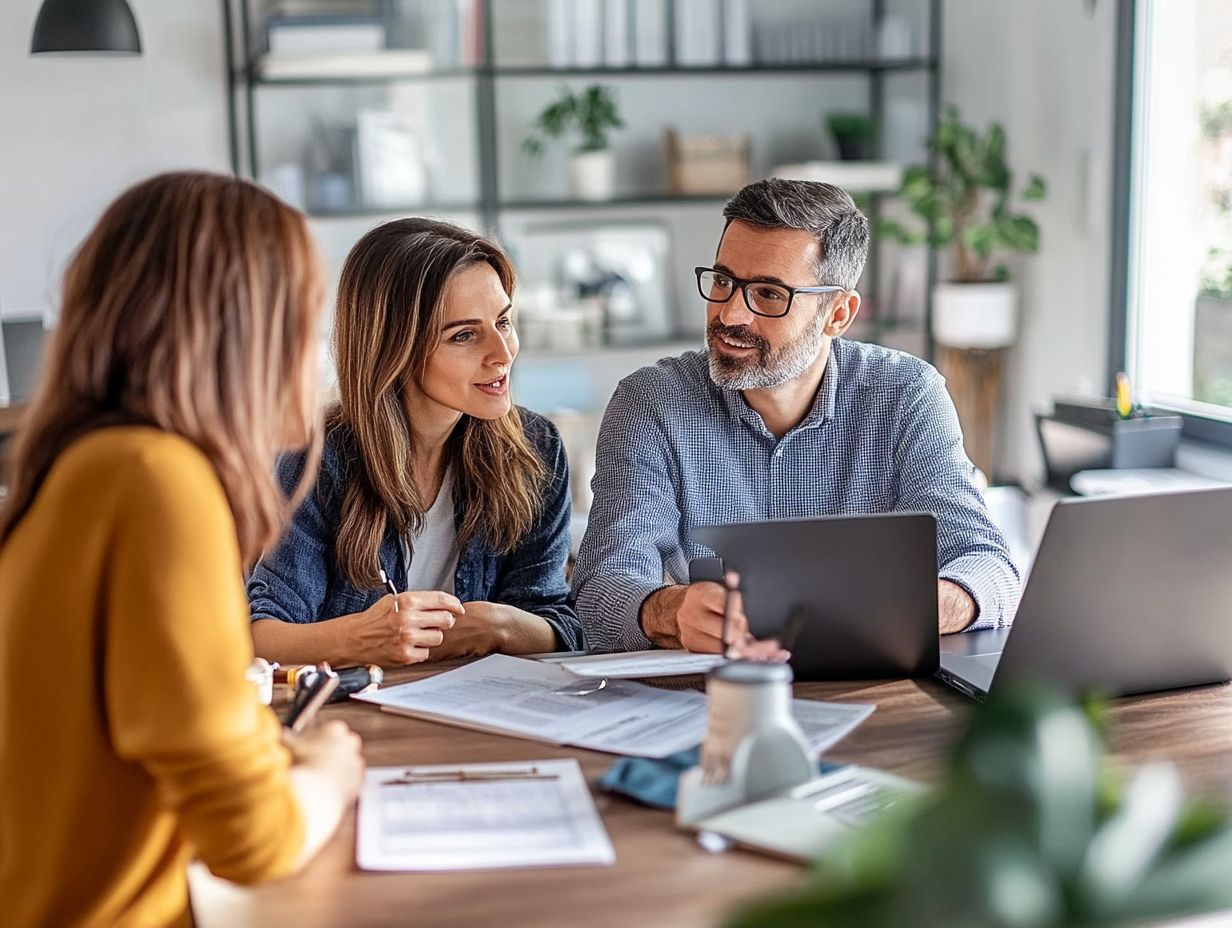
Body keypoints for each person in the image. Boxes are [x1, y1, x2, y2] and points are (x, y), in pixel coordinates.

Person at [0, 172, 364, 926]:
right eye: (309, 321)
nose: (320, 355)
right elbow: (255, 841)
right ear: (248, 330)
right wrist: (329, 773)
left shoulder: (84, 471)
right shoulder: (156, 481)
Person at [572, 178, 1021, 654]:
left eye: (768, 294)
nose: (730, 315)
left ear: (839, 314)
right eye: (723, 281)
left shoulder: (906, 396)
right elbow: (600, 589)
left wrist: (900, 609)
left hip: (872, 692)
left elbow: (989, 567)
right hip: (714, 695)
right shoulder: (652, 403)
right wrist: (670, 611)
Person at [247, 218, 582, 666]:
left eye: (503, 321)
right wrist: (363, 638)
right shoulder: (317, 459)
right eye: (464, 335)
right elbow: (262, 637)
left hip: (485, 715)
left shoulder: (536, 450)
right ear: (394, 349)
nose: (502, 353)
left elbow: (555, 626)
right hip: (361, 722)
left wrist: (493, 626)